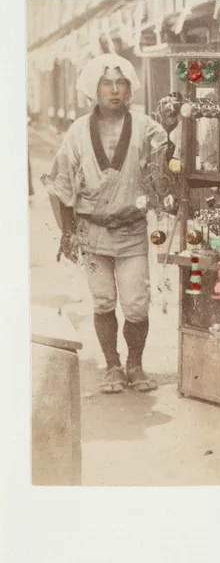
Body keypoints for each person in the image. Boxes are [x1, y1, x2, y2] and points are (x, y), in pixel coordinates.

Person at [42, 53, 168, 394]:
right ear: (93, 89)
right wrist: (67, 233)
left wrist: (171, 131)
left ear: (129, 89)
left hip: (132, 230)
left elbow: (165, 168)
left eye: (121, 83)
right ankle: (112, 365)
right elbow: (59, 183)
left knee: (136, 303)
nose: (114, 90)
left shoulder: (146, 127)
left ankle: (135, 365)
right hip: (92, 232)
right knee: (102, 301)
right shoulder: (77, 131)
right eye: (106, 83)